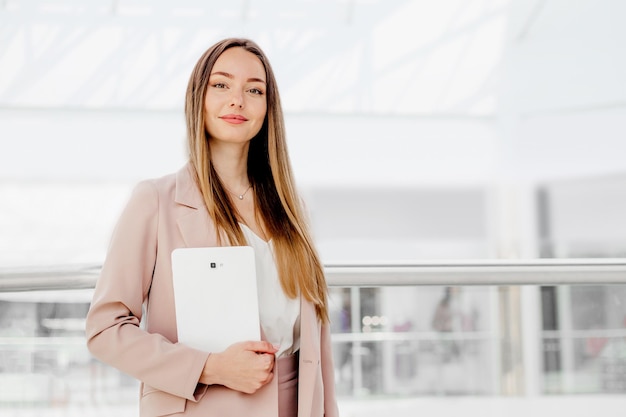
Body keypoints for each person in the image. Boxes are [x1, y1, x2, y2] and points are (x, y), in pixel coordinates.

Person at [85, 38, 339, 417]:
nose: (237, 100)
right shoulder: (156, 200)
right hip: (205, 406)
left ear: (268, 109)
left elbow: (315, 345)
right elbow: (105, 330)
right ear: (197, 98)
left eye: (254, 90)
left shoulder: (291, 207)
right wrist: (210, 366)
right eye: (221, 85)